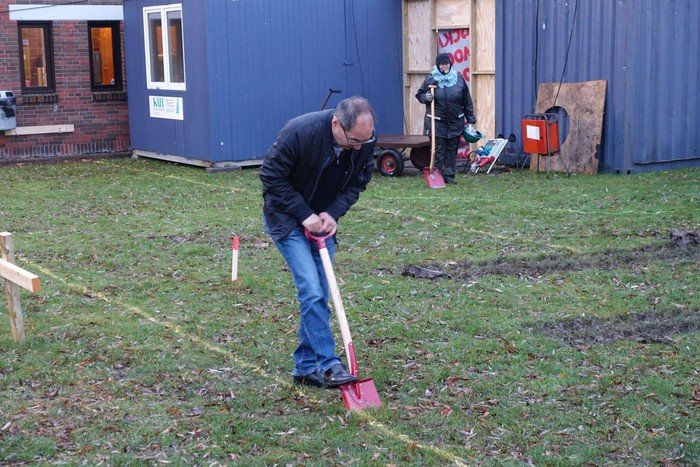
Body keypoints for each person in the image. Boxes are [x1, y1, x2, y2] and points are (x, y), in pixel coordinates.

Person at [259, 96, 377, 389]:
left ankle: (304, 367)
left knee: (320, 295)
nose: (360, 147)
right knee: (311, 291)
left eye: (366, 140)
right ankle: (329, 364)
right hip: (286, 218)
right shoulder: (299, 132)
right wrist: (304, 214)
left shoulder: (364, 139)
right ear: (336, 124)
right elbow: (270, 176)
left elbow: (357, 182)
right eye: (354, 141)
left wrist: (332, 213)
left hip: (323, 224)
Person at [415, 52, 476, 184]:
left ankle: (450, 176)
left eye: (447, 64)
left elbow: (467, 100)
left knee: (452, 149)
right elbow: (419, 94)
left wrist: (471, 119)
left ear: (450, 64)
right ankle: (439, 176)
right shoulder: (431, 79)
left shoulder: (458, 78)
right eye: (442, 64)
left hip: (455, 121)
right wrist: (426, 97)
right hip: (436, 121)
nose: (445, 67)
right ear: (438, 65)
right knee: (438, 149)